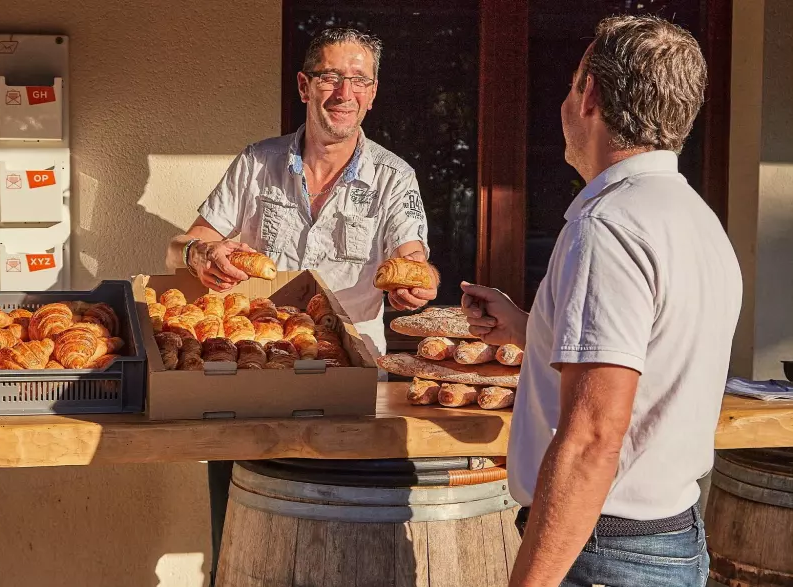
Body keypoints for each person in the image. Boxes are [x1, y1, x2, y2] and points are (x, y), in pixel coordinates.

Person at [460, 15, 742, 587]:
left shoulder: (608, 226)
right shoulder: (694, 217)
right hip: (665, 538)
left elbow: (593, 438)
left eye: (571, 85)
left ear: (589, 96)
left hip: (604, 553)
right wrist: (528, 327)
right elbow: (654, 355)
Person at [164, 28, 439, 584]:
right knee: (242, 521)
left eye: (358, 80)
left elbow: (414, 256)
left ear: (373, 93)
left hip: (348, 379)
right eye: (332, 77)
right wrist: (202, 253)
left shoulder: (394, 178)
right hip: (253, 372)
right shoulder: (256, 164)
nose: (344, 92)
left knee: (341, 536)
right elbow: (177, 247)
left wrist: (420, 283)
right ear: (304, 85)